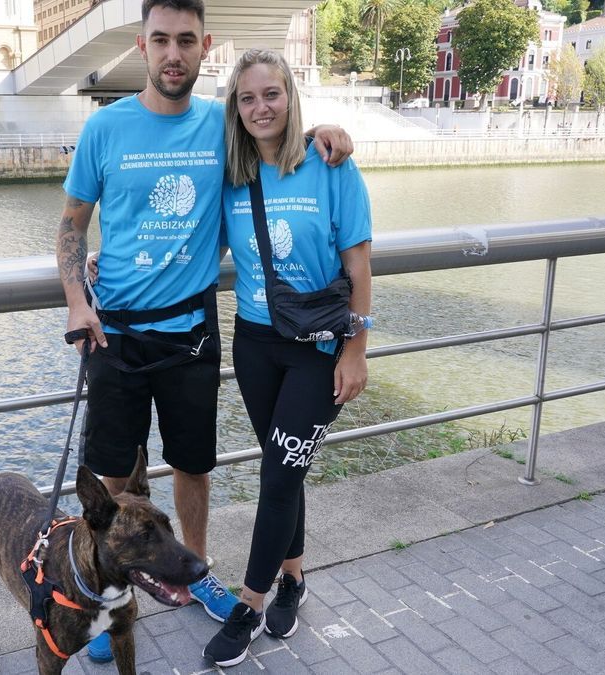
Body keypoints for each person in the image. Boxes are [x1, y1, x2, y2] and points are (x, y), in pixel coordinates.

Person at [54, 0, 354, 663]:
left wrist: (324, 131)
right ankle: (107, 599)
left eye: (185, 41)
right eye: (160, 40)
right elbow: (72, 224)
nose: (172, 53)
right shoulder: (105, 129)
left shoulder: (222, 130)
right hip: (116, 336)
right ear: (142, 45)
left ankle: (195, 575)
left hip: (191, 329)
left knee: (194, 466)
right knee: (108, 479)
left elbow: (275, 138)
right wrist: (78, 297)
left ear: (204, 46)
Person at [202, 48, 372, 668]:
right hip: (255, 345)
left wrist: (356, 348)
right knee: (283, 465)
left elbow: (359, 266)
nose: (260, 108)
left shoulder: (331, 165)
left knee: (277, 477)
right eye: (247, 98)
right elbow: (184, 242)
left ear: (291, 95)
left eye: (270, 94)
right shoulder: (232, 176)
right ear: (235, 108)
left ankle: (249, 604)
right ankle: (295, 579)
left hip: (319, 348)